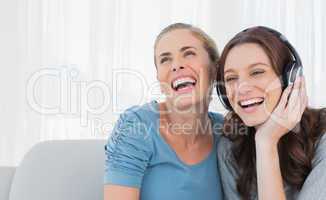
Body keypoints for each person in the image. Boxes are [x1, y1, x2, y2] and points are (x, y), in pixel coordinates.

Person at [104, 23, 224, 200]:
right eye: (165, 59)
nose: (176, 65)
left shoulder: (226, 133)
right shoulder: (137, 126)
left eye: (189, 53)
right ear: (160, 80)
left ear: (214, 69)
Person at [216, 26, 326, 200]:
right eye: (231, 78)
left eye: (257, 72)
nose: (242, 88)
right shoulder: (230, 147)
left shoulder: (323, 135)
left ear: (290, 77)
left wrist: (266, 142)